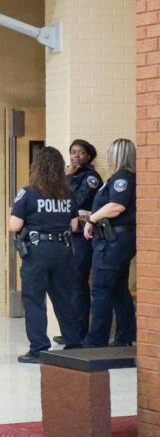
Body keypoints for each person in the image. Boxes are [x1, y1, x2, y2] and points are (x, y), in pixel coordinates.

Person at [10, 146, 81, 364]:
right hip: (63, 250)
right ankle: (74, 342)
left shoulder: (28, 193)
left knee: (34, 300)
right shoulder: (67, 193)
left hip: (37, 251)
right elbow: (75, 225)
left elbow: (15, 225)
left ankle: (39, 348)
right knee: (63, 298)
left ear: (36, 168)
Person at [83, 138, 136, 347]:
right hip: (119, 241)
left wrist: (91, 219)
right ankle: (123, 338)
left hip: (113, 242)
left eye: (111, 153)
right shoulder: (121, 178)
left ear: (118, 156)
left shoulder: (122, 178)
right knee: (119, 290)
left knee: (102, 290)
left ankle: (96, 341)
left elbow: (117, 206)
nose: (108, 156)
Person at [61, 139, 102, 342]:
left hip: (82, 237)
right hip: (68, 235)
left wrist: (67, 179)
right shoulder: (68, 176)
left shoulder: (90, 177)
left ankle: (79, 333)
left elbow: (76, 201)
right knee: (68, 284)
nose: (76, 156)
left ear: (89, 156)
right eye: (73, 152)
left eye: (81, 152)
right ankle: (70, 331)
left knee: (78, 283)